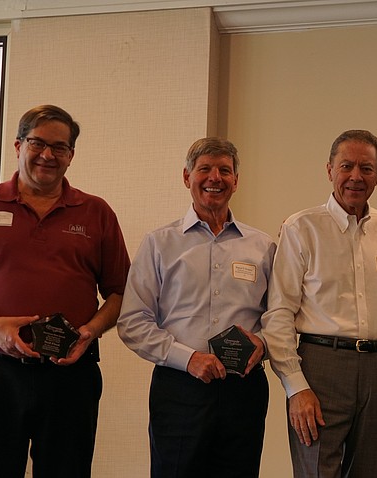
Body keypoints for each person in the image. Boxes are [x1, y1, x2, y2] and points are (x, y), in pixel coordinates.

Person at [0, 104, 131, 478]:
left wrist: (90, 332)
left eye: (60, 147)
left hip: (70, 376)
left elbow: (121, 293)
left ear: (71, 156)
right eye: (38, 143)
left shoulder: (96, 212)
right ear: (19, 145)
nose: (47, 155)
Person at [117, 137, 275, 478]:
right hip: (179, 389)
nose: (214, 177)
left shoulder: (263, 247)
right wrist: (188, 359)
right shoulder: (159, 243)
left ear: (236, 180)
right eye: (204, 169)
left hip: (243, 390)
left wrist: (264, 343)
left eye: (224, 170)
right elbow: (133, 321)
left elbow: (278, 317)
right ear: (187, 177)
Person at [262, 129, 377, 478]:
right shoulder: (302, 228)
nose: (356, 176)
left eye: (366, 168)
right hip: (321, 367)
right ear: (329, 170)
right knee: (317, 471)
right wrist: (296, 387)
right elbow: (279, 313)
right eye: (346, 166)